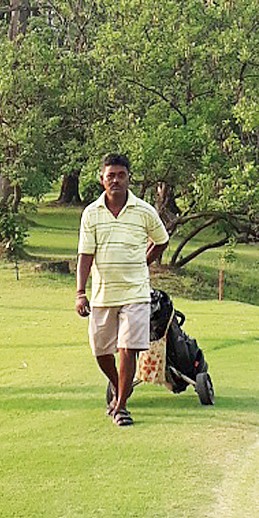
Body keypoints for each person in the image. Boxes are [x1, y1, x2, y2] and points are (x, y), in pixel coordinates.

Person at [75, 153, 169, 426]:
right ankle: (119, 387)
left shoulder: (144, 211)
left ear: (129, 177)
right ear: (102, 179)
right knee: (101, 351)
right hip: (103, 293)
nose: (115, 180)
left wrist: (144, 262)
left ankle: (122, 408)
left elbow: (161, 241)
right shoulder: (91, 213)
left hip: (136, 293)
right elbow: (85, 255)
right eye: (110, 176)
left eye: (121, 175)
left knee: (127, 348)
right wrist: (80, 293)